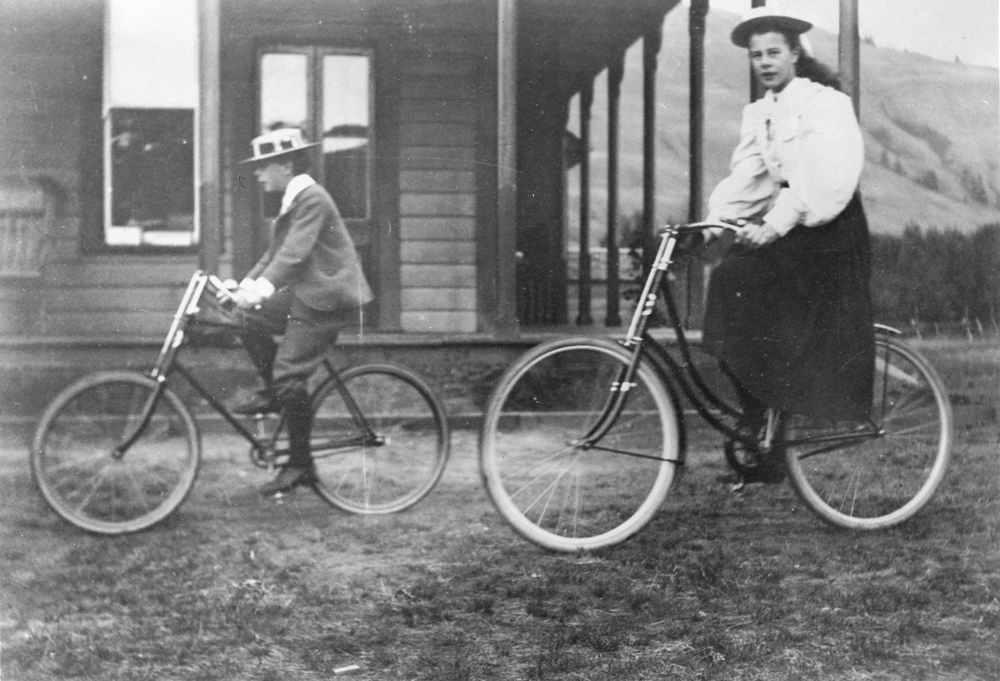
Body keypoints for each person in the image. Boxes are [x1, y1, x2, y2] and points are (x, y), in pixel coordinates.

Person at [696, 6, 875, 484]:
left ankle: (771, 423)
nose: (765, 62)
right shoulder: (762, 113)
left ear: (795, 53)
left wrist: (773, 225)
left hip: (831, 232)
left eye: (774, 52)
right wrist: (713, 223)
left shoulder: (825, 103)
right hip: (797, 230)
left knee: (742, 280)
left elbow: (826, 181)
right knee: (729, 284)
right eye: (757, 56)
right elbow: (748, 179)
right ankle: (760, 421)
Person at [230, 128, 374, 496]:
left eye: (264, 167)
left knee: (289, 376)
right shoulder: (295, 199)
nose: (259, 175)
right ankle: (277, 392)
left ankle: (300, 465)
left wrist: (261, 289)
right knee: (245, 318)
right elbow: (274, 254)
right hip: (308, 294)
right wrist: (244, 288)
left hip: (326, 297)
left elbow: (294, 253)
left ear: (286, 164)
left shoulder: (313, 199)